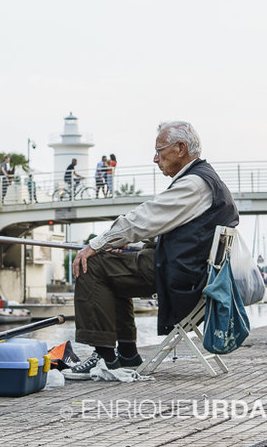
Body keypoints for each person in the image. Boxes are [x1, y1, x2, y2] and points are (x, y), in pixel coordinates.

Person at [65, 121, 238, 379]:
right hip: (192, 272)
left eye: (159, 151)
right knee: (114, 268)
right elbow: (170, 230)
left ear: (180, 148)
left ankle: (104, 356)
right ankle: (126, 355)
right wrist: (123, 245)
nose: (155, 158)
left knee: (93, 265)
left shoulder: (193, 185)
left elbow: (145, 217)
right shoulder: (207, 180)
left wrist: (96, 244)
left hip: (180, 275)